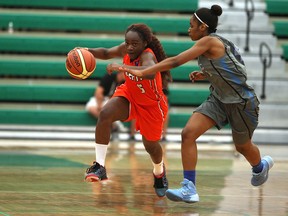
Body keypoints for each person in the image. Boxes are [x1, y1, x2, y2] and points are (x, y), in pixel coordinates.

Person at [119, 5, 274, 203]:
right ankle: (189, 188)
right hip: (218, 99)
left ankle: (260, 166)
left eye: (191, 26)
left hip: (242, 102)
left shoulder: (209, 41)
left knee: (242, 147)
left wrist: (142, 72)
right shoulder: (210, 43)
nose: (188, 29)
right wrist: (207, 74)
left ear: (203, 27)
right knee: (188, 134)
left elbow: (175, 61)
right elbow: (230, 66)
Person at [81, 23, 172, 197]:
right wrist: (86, 51)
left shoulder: (148, 56)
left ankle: (159, 171)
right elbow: (107, 53)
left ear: (145, 43)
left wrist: (123, 67)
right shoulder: (126, 49)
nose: (129, 47)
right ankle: (100, 166)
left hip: (151, 105)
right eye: (127, 43)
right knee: (105, 113)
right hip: (129, 95)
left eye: (134, 44)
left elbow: (149, 72)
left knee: (151, 146)